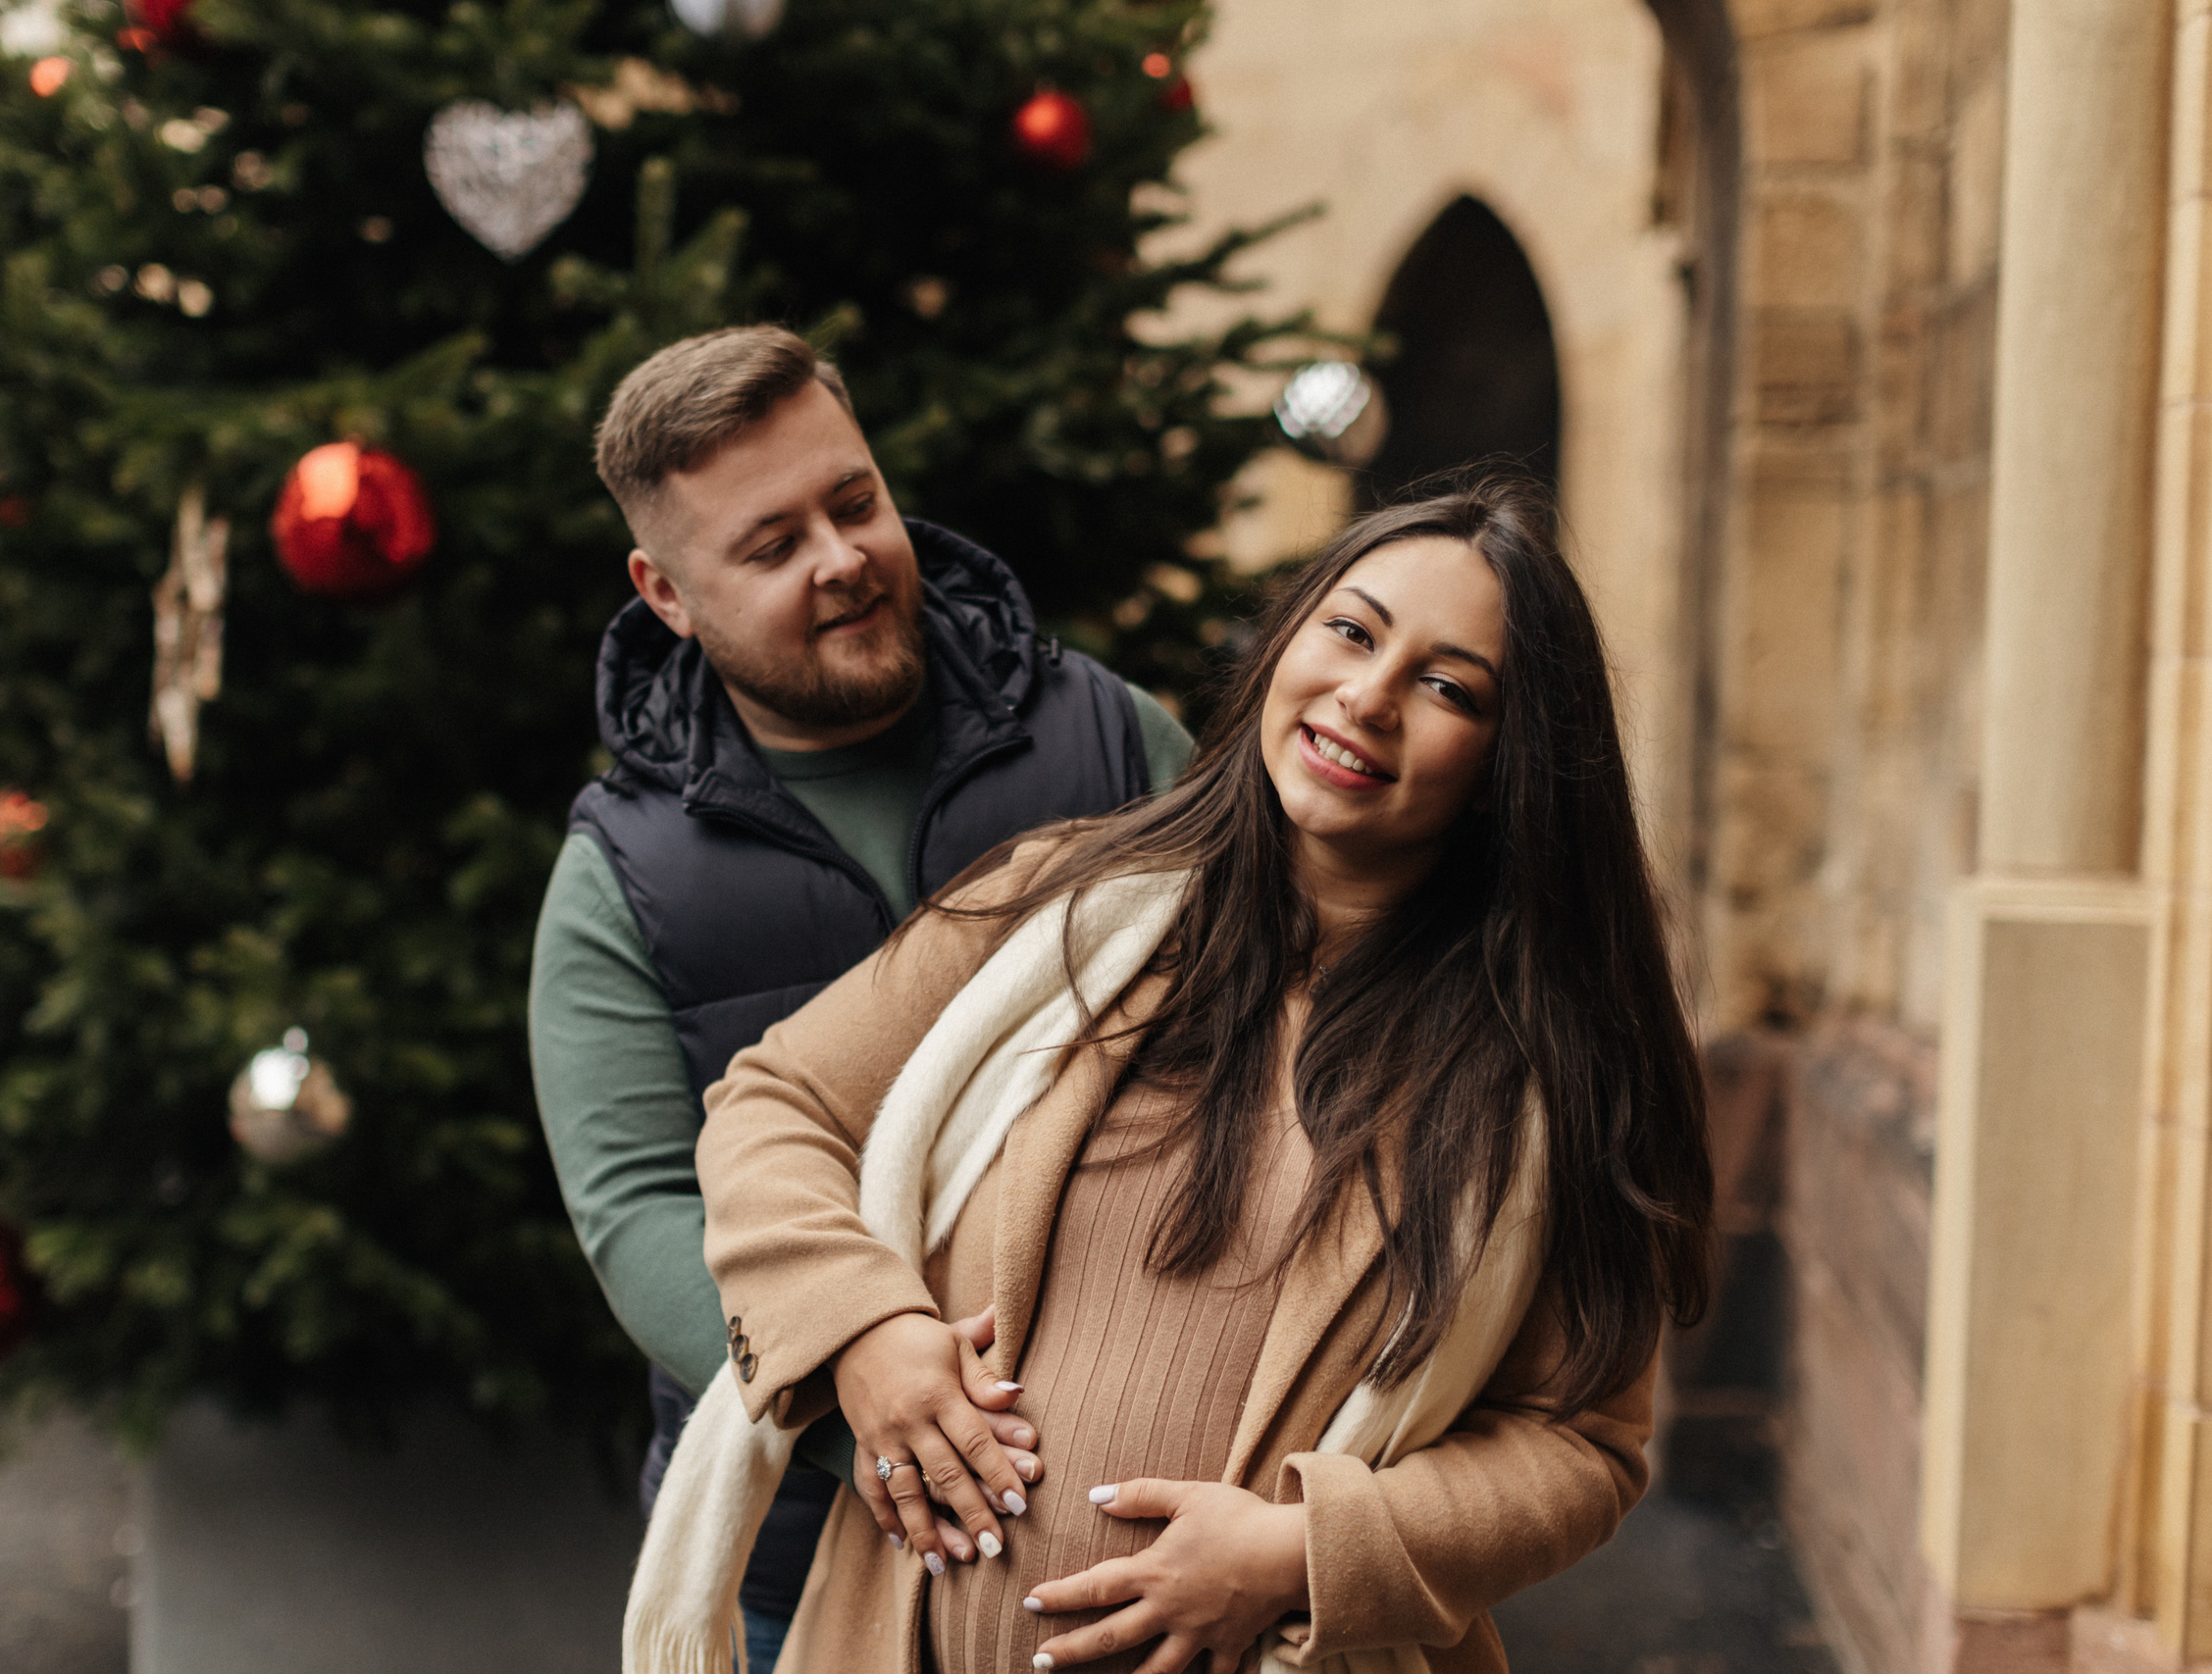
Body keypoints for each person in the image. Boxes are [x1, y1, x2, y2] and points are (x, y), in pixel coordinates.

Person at [645, 477, 1715, 1674]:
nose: (1367, 697)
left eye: (1449, 686)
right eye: (1351, 632)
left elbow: (1580, 1443)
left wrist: (1304, 1552)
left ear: (1512, 761)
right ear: (1285, 644)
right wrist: (863, 1329)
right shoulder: (1055, 906)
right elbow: (771, 1106)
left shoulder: (1547, 1071)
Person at [529, 325, 1194, 1672]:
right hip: (792, 1546)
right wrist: (856, 1378)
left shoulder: (1119, 744)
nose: (841, 559)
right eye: (771, 546)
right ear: (666, 591)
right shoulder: (618, 879)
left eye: (855, 501)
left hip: (1123, 1513)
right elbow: (640, 1209)